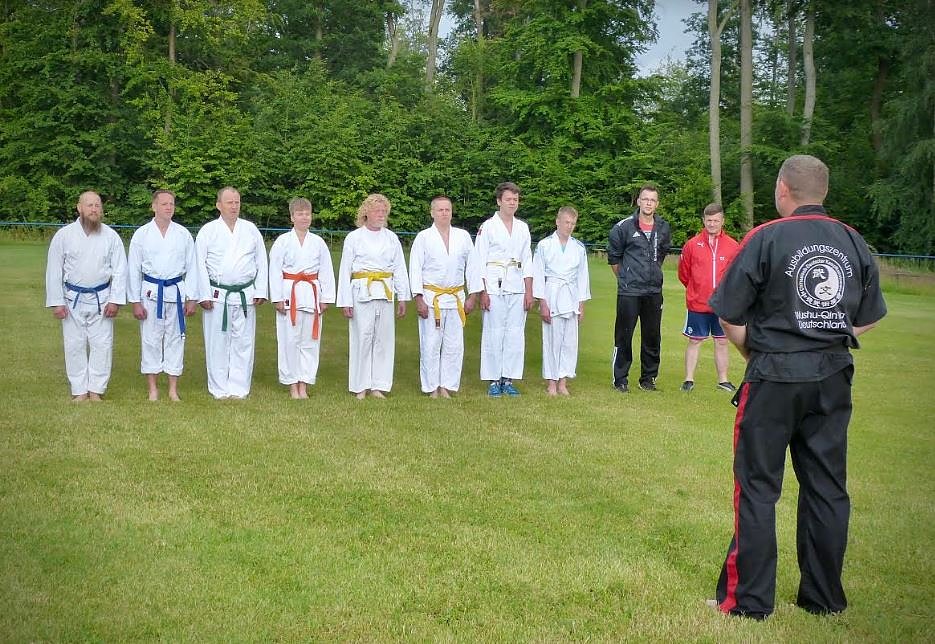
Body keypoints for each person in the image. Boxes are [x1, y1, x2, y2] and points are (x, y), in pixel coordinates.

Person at [708, 155, 887, 620]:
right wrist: (830, 335)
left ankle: (750, 602)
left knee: (757, 486)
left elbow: (729, 313)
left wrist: (756, 351)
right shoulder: (853, 240)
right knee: (827, 487)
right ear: (822, 192)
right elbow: (869, 317)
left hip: (774, 375)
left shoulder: (765, 237)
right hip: (831, 376)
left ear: (783, 189)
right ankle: (823, 599)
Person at [45, 191, 127, 401]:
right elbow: (54, 270)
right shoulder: (64, 235)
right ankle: (79, 390)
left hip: (102, 298)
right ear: (79, 208)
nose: (94, 209)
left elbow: (120, 270)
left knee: (102, 345)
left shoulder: (111, 236)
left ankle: (96, 390)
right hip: (72, 298)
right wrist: (57, 302)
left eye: (97, 206)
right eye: (89, 205)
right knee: (74, 344)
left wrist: (115, 300)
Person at [194, 187, 268, 400]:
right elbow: (199, 264)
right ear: (219, 205)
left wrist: (260, 290)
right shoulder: (208, 230)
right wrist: (204, 294)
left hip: (245, 293)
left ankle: (239, 387)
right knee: (217, 342)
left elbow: (261, 260)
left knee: (243, 342)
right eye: (229, 202)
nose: (234, 206)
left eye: (237, 202)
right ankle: (218, 388)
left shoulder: (250, 229)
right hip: (218, 294)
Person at [336, 193, 410, 399]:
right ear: (366, 213)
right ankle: (360, 386)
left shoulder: (391, 238)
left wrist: (402, 297)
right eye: (377, 211)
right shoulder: (354, 237)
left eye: (384, 211)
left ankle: (378, 385)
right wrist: (345, 301)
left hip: (385, 291)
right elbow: (345, 270)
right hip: (362, 291)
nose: (381, 214)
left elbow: (399, 268)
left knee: (383, 340)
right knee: (362, 337)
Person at [127, 190, 198, 401]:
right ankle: (153, 389)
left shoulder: (183, 234)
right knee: (151, 339)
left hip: (176, 292)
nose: (168, 207)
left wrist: (192, 298)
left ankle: (173, 389)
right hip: (151, 293)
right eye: (164, 203)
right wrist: (135, 301)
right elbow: (133, 269)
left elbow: (192, 268)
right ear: (154, 206)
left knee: (176, 339)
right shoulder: (142, 234)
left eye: (171, 204)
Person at [409, 196, 482, 398]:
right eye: (440, 210)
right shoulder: (424, 237)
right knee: (431, 344)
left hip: (456, 297)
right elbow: (415, 268)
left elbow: (473, 267)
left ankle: (446, 386)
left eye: (447, 209)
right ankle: (431, 387)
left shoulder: (463, 236)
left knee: (454, 345)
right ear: (432, 213)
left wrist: (473, 296)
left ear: (451, 212)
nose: (444, 213)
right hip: (431, 297)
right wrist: (418, 298)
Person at [268, 198, 336, 399]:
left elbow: (326, 270)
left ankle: (304, 384)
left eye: (307, 214)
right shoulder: (282, 241)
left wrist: (326, 298)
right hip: (290, 293)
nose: (304, 217)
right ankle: (292, 385)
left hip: (312, 294)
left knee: (310, 342)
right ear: (292, 217)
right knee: (289, 341)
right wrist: (277, 298)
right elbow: (274, 271)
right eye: (300, 214)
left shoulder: (318, 242)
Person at [608, 183, 671, 392]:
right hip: (629, 291)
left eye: (652, 200)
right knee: (624, 335)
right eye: (645, 199)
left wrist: (651, 275)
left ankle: (648, 379)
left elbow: (661, 255)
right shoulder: (623, 227)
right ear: (638, 201)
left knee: (652, 336)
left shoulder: (663, 227)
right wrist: (627, 278)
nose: (648, 203)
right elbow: (614, 259)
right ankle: (620, 379)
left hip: (653, 291)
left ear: (657, 204)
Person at [475, 182, 533, 397]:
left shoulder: (522, 227)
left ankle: (508, 378)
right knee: (494, 332)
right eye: (508, 199)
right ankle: (493, 379)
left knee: (515, 334)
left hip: (516, 284)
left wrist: (529, 291)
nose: (512, 203)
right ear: (499, 201)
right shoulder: (488, 227)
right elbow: (479, 259)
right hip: (493, 284)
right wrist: (482, 291)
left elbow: (527, 260)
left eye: (515, 199)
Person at [677, 203, 740, 393]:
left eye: (716, 220)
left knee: (721, 341)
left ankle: (723, 380)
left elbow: (736, 274)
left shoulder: (732, 246)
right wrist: (696, 290)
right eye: (709, 220)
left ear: (722, 221)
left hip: (722, 305)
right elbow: (684, 274)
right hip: (698, 303)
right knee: (695, 340)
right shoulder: (692, 245)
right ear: (704, 221)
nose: (712, 224)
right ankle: (688, 379)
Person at [532, 206, 591, 396]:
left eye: (573, 223)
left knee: (569, 342)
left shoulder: (579, 248)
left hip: (571, 295)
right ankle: (551, 382)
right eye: (566, 222)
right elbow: (538, 274)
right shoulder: (544, 245)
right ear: (557, 222)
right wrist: (542, 302)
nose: (569, 226)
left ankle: (563, 381)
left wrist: (581, 304)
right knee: (552, 340)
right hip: (552, 293)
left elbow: (582, 277)